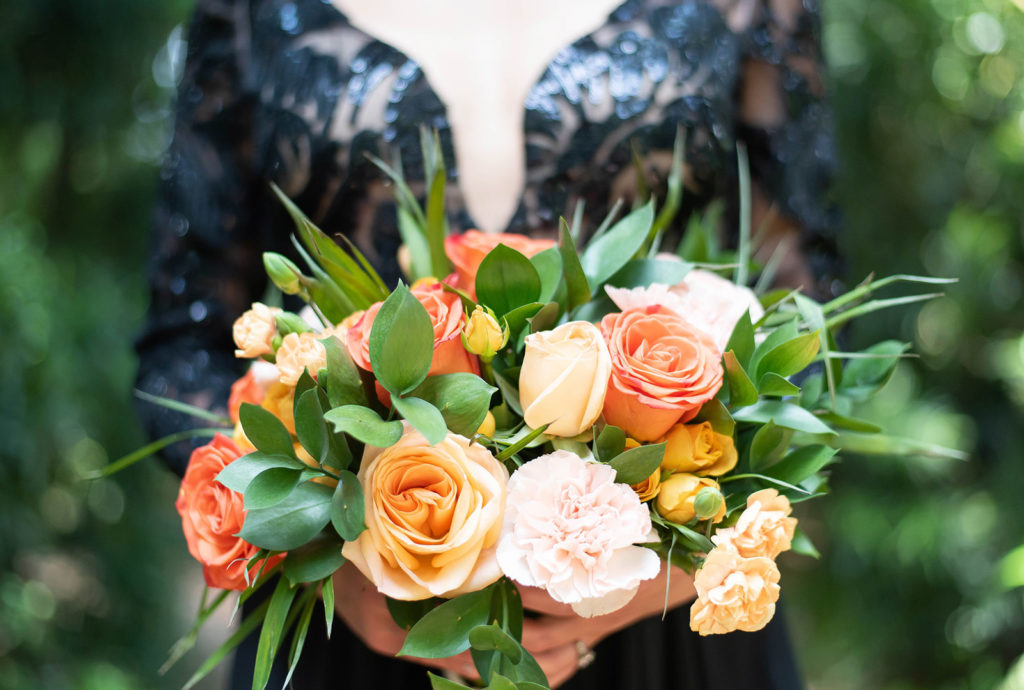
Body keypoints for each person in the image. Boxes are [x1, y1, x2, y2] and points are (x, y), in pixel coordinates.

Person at [137, 0, 838, 687]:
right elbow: (184, 344)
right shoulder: (245, 11)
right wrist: (335, 562)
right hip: (355, 625)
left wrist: (687, 562)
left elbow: (812, 316)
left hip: (657, 623)